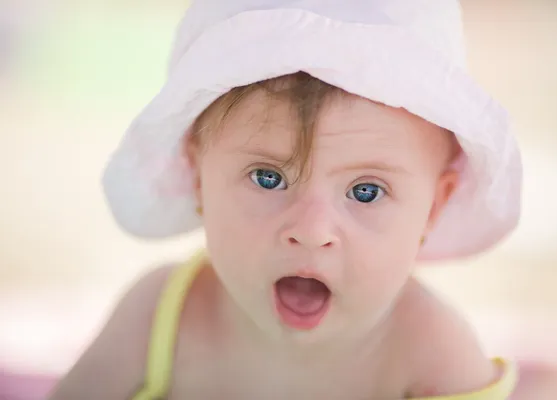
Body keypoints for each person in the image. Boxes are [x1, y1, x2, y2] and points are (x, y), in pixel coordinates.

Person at [48, 0, 523, 398]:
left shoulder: (431, 353)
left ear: (433, 208)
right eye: (268, 178)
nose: (312, 230)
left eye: (366, 191)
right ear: (197, 175)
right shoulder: (157, 318)